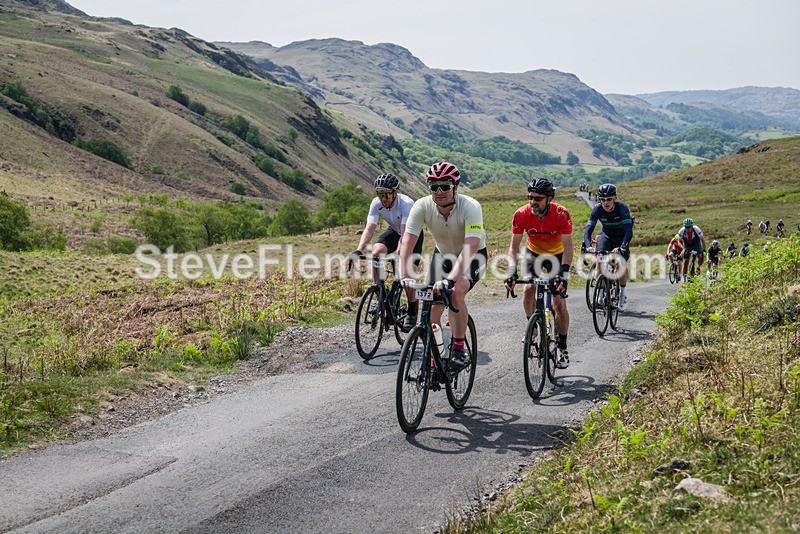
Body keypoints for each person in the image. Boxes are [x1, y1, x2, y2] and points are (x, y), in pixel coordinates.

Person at [398, 161, 487, 373]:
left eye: (445, 186)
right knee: (431, 308)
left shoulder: (471, 206)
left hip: (473, 256)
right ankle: (435, 351)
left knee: (455, 292)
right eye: (434, 186)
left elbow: (471, 246)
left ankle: (458, 349)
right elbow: (408, 243)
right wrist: (405, 275)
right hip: (444, 256)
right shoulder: (422, 206)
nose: (439, 191)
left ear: (455, 187)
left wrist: (450, 280)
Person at [504, 178, 573, 369]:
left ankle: (562, 346)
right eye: (530, 197)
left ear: (549, 198)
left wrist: (564, 274)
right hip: (533, 253)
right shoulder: (521, 214)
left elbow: (568, 248)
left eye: (538, 198)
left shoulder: (561, 213)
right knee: (528, 289)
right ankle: (533, 327)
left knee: (559, 302)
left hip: (557, 255)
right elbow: (514, 247)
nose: (533, 202)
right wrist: (511, 271)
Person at [348, 173, 423, 332]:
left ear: (395, 192)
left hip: (411, 234)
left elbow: (405, 236)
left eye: (387, 194)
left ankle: (412, 310)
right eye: (380, 194)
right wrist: (358, 250)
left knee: (407, 276)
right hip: (393, 231)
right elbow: (369, 228)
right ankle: (380, 292)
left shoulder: (406, 204)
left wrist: (399, 254)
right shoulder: (376, 204)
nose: (384, 198)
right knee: (376, 253)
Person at [583, 183, 633, 311]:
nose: (606, 202)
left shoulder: (622, 208)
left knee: (619, 263)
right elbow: (588, 231)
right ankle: (600, 295)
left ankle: (622, 294)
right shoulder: (597, 209)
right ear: (599, 199)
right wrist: (588, 246)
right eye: (602, 199)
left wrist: (623, 246)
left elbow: (628, 231)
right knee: (600, 261)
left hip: (621, 238)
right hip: (606, 236)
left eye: (609, 199)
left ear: (615, 198)